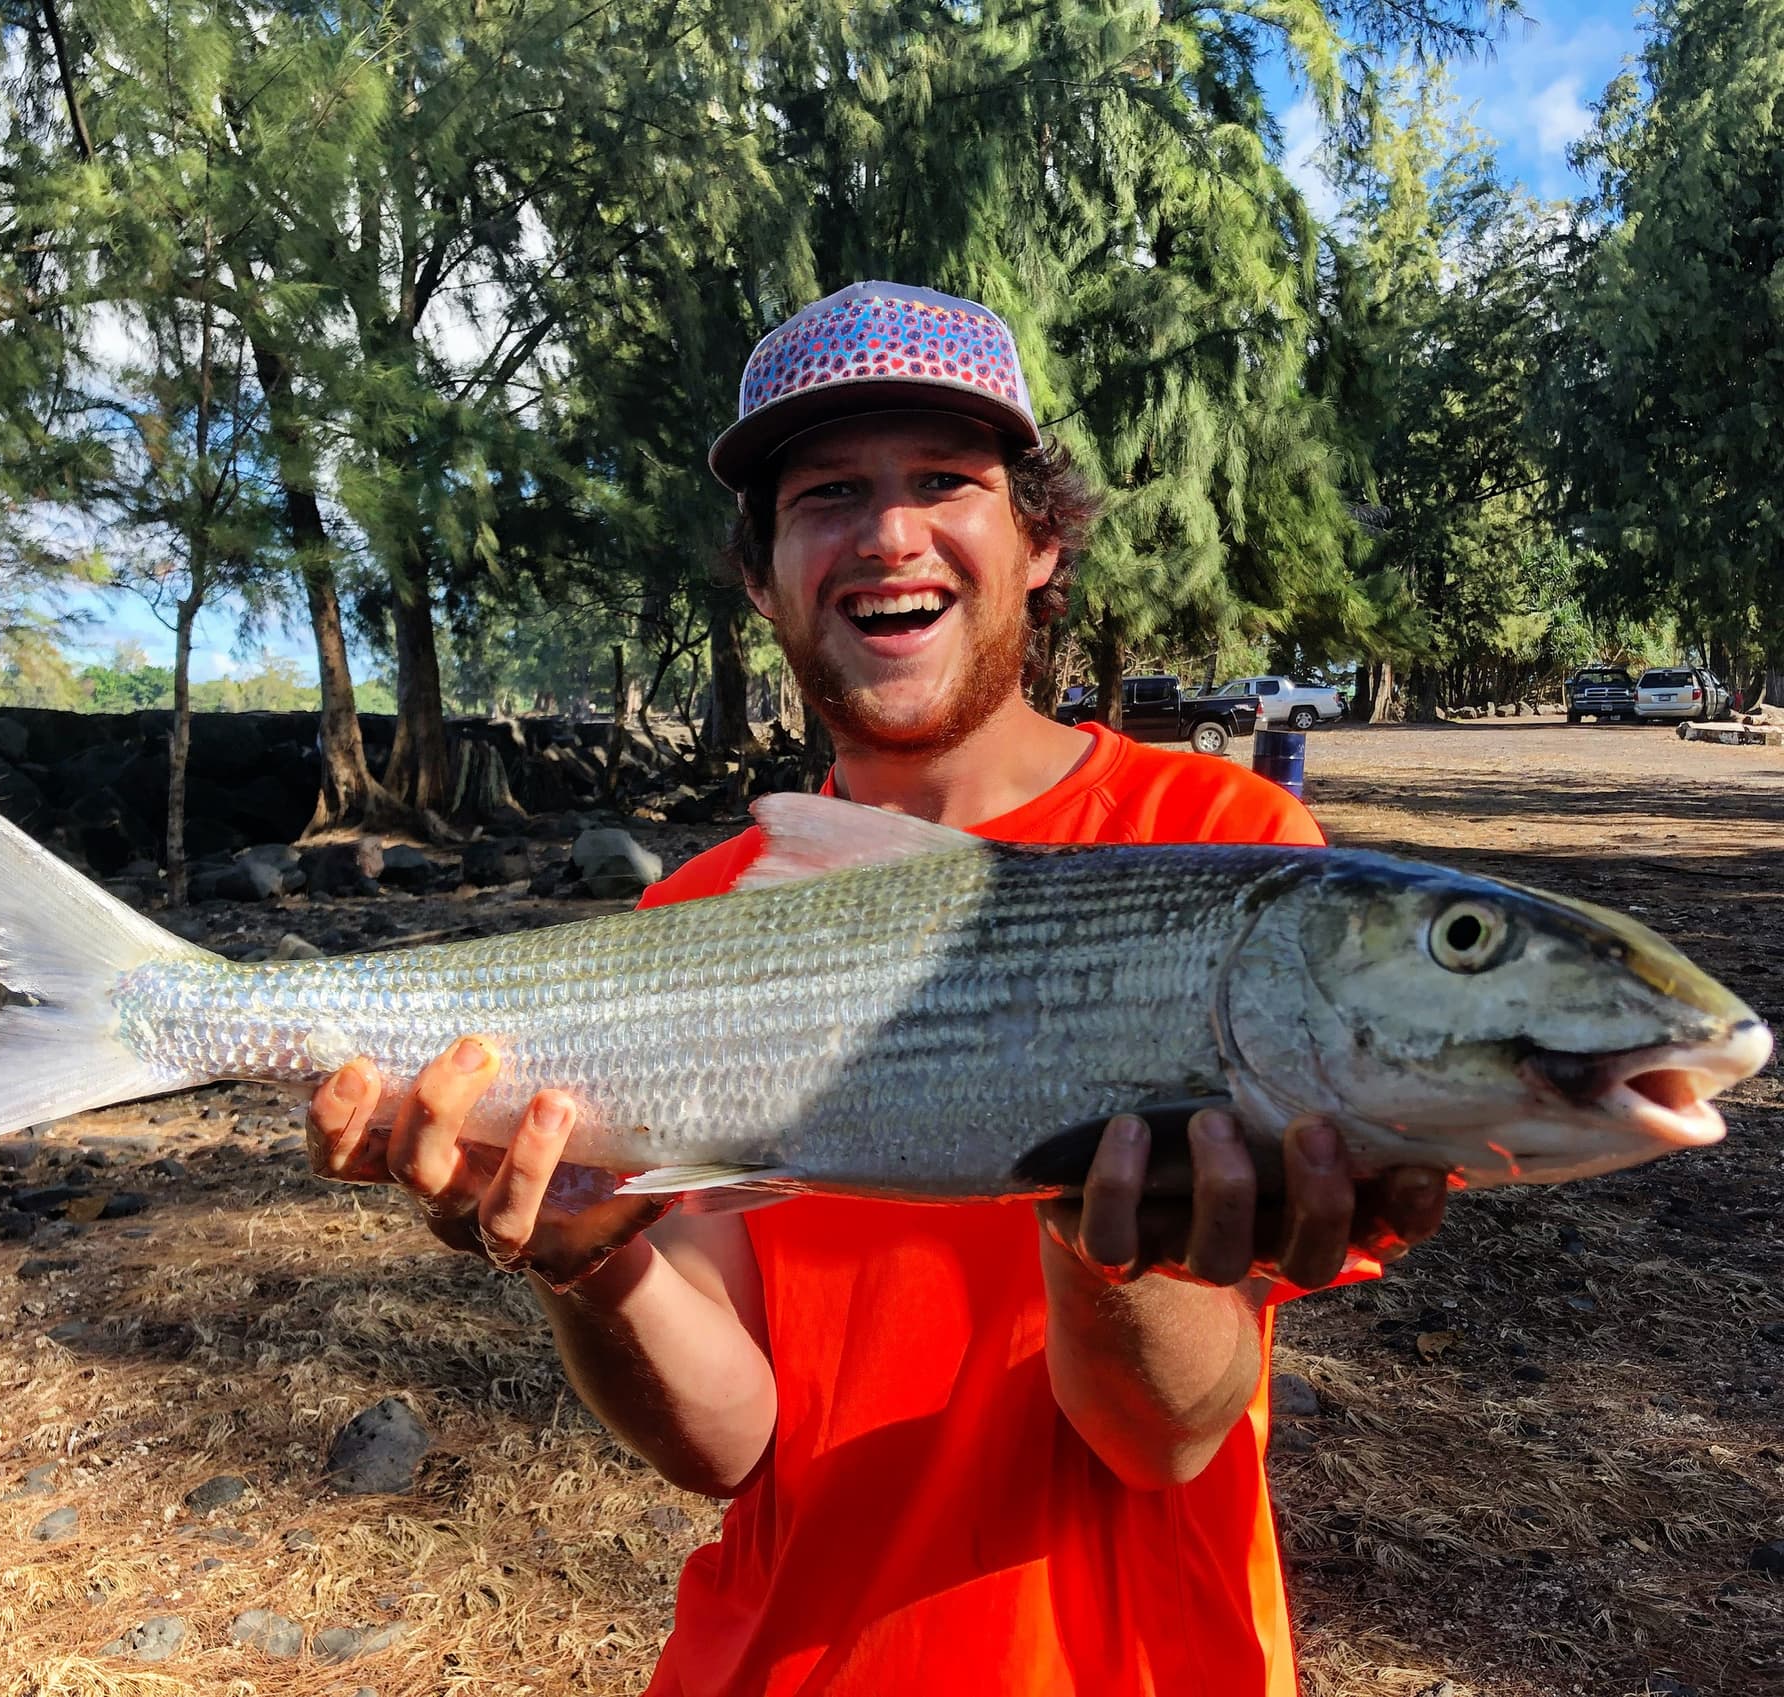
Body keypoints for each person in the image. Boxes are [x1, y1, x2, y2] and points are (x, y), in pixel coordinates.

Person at [305, 282, 1451, 1695]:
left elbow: (1165, 1438)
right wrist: (589, 1258)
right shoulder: (696, 916)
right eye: (829, 492)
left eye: (947, 482)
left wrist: (1116, 1255)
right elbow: (730, 1444)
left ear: (1040, 538)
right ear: (764, 572)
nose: (889, 532)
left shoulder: (1223, 856)